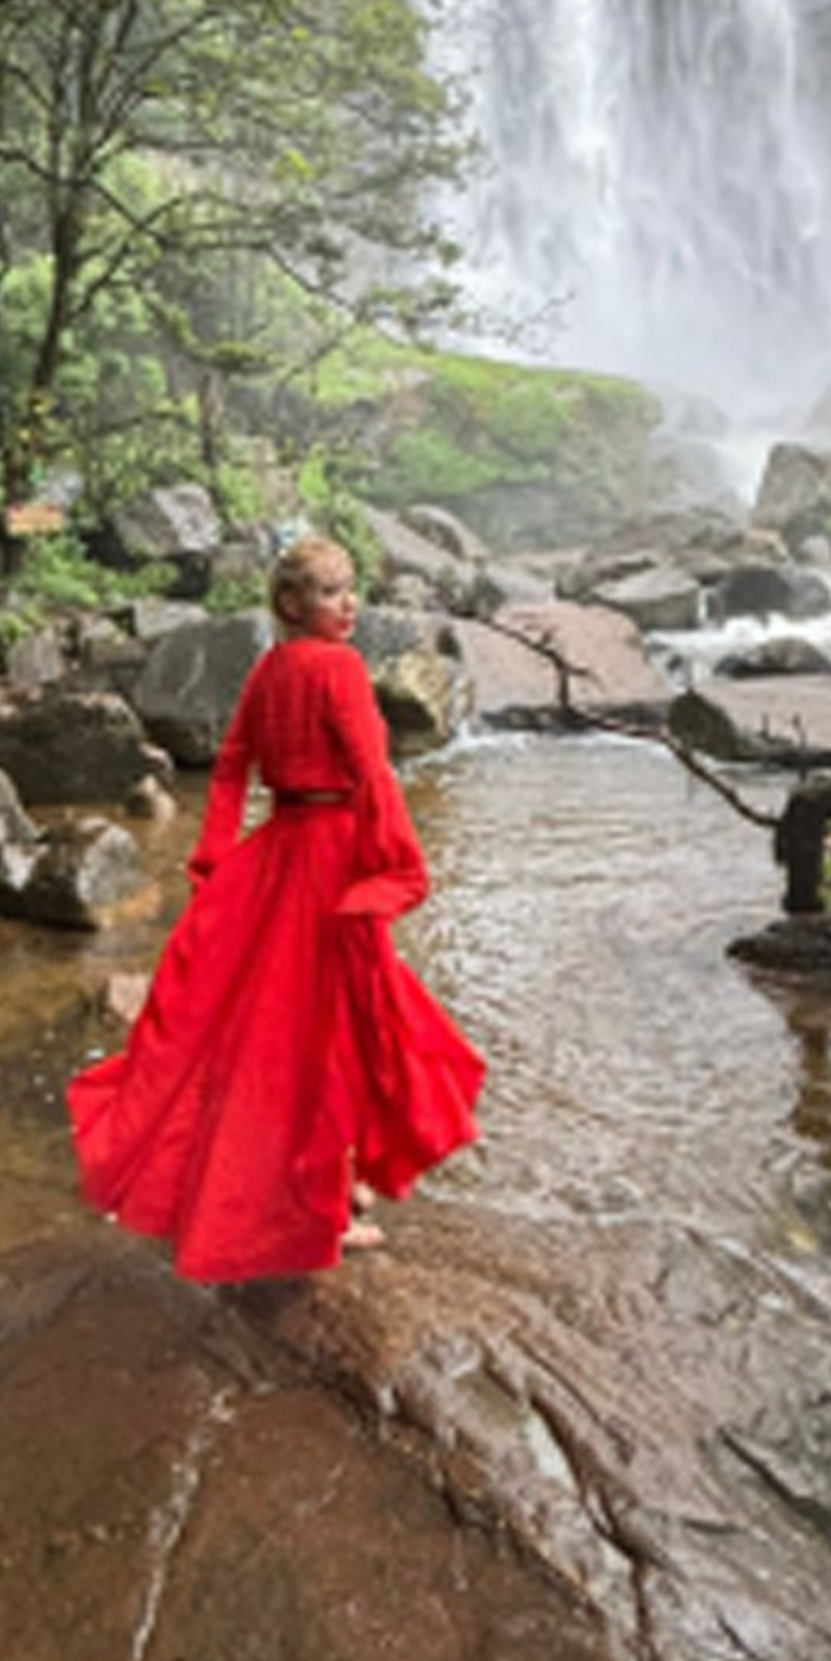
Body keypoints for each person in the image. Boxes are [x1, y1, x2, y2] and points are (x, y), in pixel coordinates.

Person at [68, 535, 482, 1283]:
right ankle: (332, 1201)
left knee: (283, 1029)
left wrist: (217, 856)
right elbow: (372, 775)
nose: (348, 603)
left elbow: (231, 771)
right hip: (331, 863)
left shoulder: (267, 670)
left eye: (350, 587)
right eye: (330, 591)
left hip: (278, 854)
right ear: (291, 604)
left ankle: (336, 1179)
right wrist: (401, 866)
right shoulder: (340, 668)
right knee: (337, 1029)